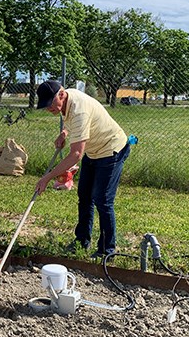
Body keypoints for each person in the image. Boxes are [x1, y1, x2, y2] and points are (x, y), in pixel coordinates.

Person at [34, 80, 130, 260]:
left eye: (50, 104)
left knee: (102, 200)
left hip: (111, 150)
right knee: (85, 196)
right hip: (94, 152)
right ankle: (82, 241)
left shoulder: (79, 110)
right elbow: (72, 123)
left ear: (61, 95)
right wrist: (64, 133)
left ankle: (106, 250)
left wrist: (47, 177)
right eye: (45, 105)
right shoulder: (68, 98)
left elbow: (76, 154)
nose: (48, 109)